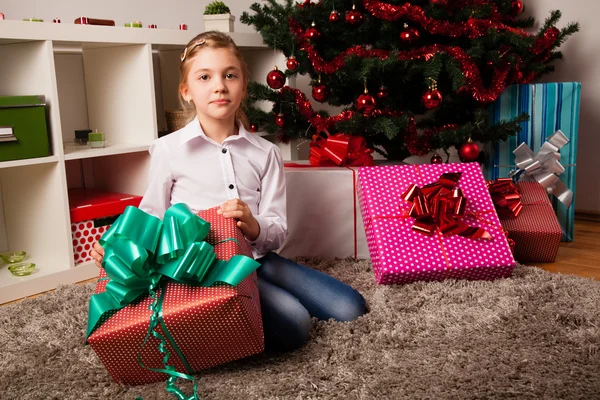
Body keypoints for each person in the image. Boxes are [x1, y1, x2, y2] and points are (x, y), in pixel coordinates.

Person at [91, 31, 366, 351]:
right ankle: (229, 324)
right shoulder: (168, 150)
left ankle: (249, 310)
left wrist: (253, 224)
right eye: (204, 76)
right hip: (210, 270)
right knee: (296, 324)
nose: (219, 85)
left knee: (351, 308)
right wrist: (120, 250)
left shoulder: (265, 153)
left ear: (244, 86)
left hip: (260, 257)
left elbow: (277, 228)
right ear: (187, 91)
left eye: (230, 75)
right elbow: (151, 215)